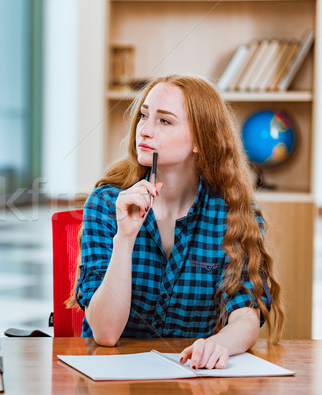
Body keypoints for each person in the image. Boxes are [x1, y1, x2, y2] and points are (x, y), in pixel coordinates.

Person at [70, 74, 284, 370]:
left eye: (164, 121)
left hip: (192, 376)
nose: (144, 130)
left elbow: (245, 315)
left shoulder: (234, 213)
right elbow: (105, 334)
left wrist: (218, 344)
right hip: (112, 374)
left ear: (200, 139)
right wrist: (125, 238)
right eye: (144, 116)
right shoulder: (107, 204)